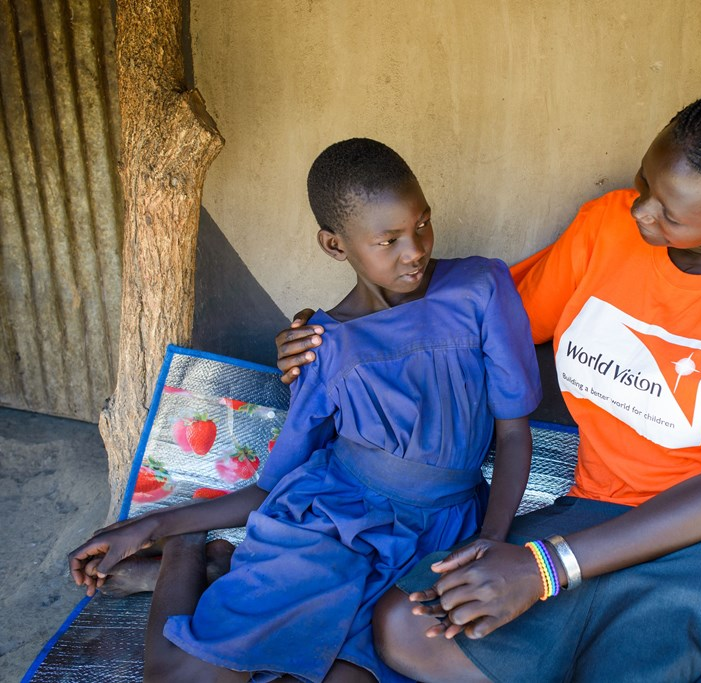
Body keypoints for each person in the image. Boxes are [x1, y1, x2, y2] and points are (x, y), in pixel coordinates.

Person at [276, 86, 701, 682]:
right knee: (410, 623)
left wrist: (543, 569)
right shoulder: (606, 228)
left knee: (630, 655)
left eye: (666, 211)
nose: (639, 212)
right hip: (602, 508)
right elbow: (472, 322)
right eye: (644, 185)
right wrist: (334, 329)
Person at [68, 138, 543, 683]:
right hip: (331, 523)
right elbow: (273, 486)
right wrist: (150, 525)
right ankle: (187, 553)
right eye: (388, 240)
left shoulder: (481, 287)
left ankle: (226, 570)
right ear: (335, 245)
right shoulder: (320, 346)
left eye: (422, 225)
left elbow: (512, 435)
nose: (414, 250)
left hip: (440, 533)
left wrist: (492, 538)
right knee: (180, 680)